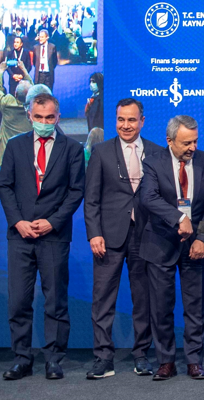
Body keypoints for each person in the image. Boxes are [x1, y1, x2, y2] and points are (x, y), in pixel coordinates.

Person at [0, 93, 85, 380]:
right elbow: (5, 186)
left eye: (50, 117)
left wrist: (52, 222)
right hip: (20, 236)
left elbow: (76, 191)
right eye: (39, 117)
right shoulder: (15, 146)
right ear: (29, 116)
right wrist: (18, 222)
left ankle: (53, 359)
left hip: (54, 236)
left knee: (55, 301)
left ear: (58, 117)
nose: (44, 122)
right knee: (18, 301)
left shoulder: (72, 149)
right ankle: (22, 359)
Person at [83, 99, 163, 379]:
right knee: (103, 299)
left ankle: (141, 354)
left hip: (146, 236)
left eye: (131, 120)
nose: (125, 125)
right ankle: (103, 357)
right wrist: (94, 233)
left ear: (142, 121)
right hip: (108, 237)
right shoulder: (101, 151)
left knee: (144, 299)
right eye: (120, 119)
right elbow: (91, 199)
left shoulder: (157, 152)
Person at [139, 115, 204, 381]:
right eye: (186, 143)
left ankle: (194, 361)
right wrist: (178, 218)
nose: (192, 147)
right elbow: (148, 197)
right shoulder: (153, 162)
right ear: (170, 141)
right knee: (161, 307)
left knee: (194, 307)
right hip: (160, 243)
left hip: (195, 245)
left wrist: (202, 238)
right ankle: (166, 361)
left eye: (195, 141)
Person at [0, 60, 32, 165]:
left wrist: (1, 71)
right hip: (26, 158)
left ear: (15, 94)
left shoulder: (7, 104)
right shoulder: (33, 109)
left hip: (6, 158)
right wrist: (24, 70)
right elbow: (33, 91)